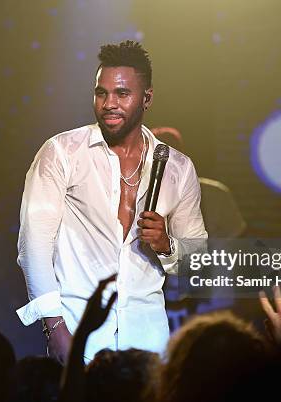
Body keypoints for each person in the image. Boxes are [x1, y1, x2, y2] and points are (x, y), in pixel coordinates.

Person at [15, 40, 207, 363]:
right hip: (80, 335)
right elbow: (33, 247)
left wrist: (166, 244)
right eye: (101, 93)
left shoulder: (177, 168)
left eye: (122, 94)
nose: (108, 104)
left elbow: (197, 260)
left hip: (148, 343)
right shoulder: (62, 152)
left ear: (146, 98)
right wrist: (55, 328)